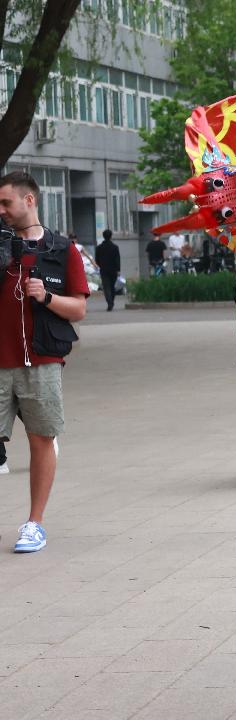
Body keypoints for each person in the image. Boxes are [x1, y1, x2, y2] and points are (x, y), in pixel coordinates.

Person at [0, 171, 89, 553]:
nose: (1, 210)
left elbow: (79, 309)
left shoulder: (62, 249)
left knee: (42, 439)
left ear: (29, 200)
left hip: (42, 360)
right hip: (0, 361)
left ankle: (34, 524)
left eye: (6, 202)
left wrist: (46, 297)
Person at [95, 229, 121, 311]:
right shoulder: (115, 247)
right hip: (113, 270)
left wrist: (101, 265)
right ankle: (111, 301)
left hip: (104, 270)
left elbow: (97, 260)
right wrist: (118, 270)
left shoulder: (99, 248)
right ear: (111, 236)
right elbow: (117, 259)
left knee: (106, 287)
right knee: (112, 286)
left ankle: (109, 302)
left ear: (103, 236)